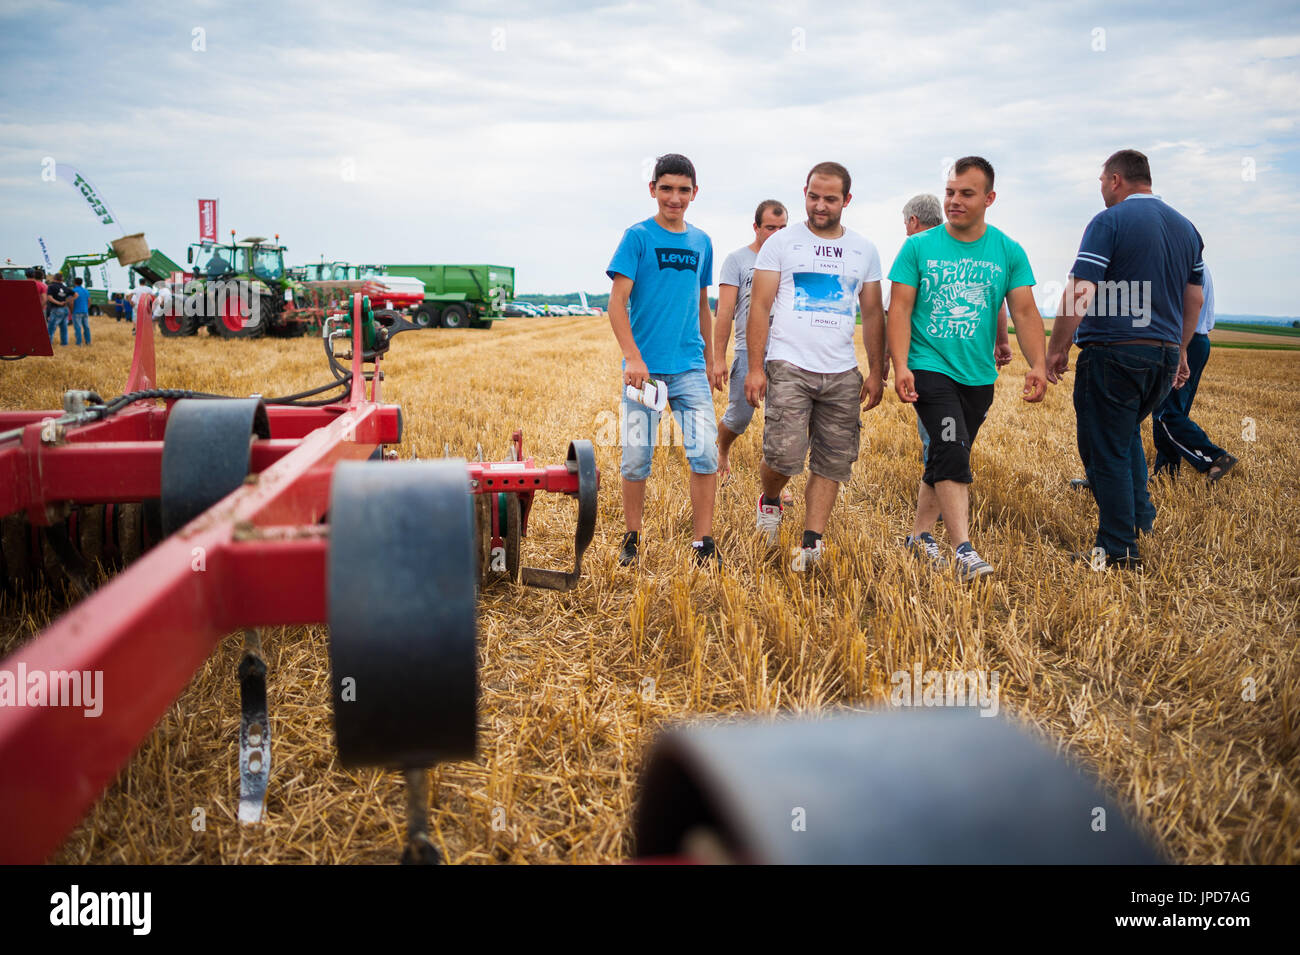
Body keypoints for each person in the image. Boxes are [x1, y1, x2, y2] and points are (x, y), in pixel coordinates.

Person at [888, 157, 1048, 581]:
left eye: (966, 193)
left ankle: (920, 535)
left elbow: (1026, 311)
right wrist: (901, 365)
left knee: (946, 453)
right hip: (929, 365)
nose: (954, 201)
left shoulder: (1007, 251)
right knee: (952, 447)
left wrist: (1038, 364)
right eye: (950, 192)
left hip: (978, 375)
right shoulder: (918, 247)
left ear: (989, 198)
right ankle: (963, 549)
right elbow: (899, 310)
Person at [1046, 149, 1205, 569]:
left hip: (1115, 352)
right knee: (1125, 435)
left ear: (1116, 179)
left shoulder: (1109, 221)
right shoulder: (1187, 228)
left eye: (1101, 182)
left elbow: (1082, 287)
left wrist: (1057, 348)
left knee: (1104, 448)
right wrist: (1182, 347)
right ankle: (1142, 518)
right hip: (1164, 355)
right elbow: (1195, 296)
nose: (1101, 190)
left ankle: (1117, 548)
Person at [744, 161, 886, 569]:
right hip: (788, 363)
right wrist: (756, 368)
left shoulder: (864, 250)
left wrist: (877, 371)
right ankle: (770, 500)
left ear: (847, 200)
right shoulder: (782, 243)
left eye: (830, 199)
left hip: (842, 370)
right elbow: (761, 306)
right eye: (813, 197)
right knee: (784, 456)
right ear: (804, 192)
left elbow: (873, 313)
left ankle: (811, 543)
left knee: (833, 459)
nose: (820, 206)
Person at [607, 153, 720, 567]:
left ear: (694, 193)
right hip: (645, 373)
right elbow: (616, 303)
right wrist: (632, 358)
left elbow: (702, 305)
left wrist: (712, 359)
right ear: (653, 189)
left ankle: (703, 543)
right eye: (667, 188)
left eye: (683, 190)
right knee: (637, 458)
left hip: (690, 368)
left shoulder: (702, 242)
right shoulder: (637, 237)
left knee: (706, 452)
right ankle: (632, 538)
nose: (675, 197)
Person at [898, 193, 1012, 481]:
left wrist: (895, 359)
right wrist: (1001, 341)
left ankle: (941, 491)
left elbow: (899, 310)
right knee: (949, 437)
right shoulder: (970, 249)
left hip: (931, 363)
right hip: (958, 364)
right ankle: (942, 490)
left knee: (942, 439)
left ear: (913, 220)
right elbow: (994, 299)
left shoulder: (914, 249)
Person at [712, 199, 788, 484]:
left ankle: (775, 480)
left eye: (782, 228)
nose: (777, 234)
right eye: (770, 227)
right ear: (756, 227)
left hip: (784, 351)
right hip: (748, 350)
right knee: (739, 417)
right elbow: (725, 312)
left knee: (780, 420)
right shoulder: (737, 261)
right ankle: (721, 449)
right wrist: (719, 358)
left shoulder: (791, 261)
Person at [1151, 264, 1236, 480]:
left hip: (1183, 342)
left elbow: (1185, 307)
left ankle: (1215, 457)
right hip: (1197, 341)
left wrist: (1181, 348)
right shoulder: (1202, 266)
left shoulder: (1185, 264)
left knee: (1165, 414)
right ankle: (1166, 473)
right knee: (1173, 411)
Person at [45, 272, 74, 346]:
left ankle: (48, 344)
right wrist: (66, 301)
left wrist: (58, 303)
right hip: (65, 309)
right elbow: (76, 295)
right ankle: (64, 344)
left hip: (56, 309)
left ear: (54, 278)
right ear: (62, 279)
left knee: (51, 328)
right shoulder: (65, 287)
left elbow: (49, 297)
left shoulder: (51, 287)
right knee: (64, 328)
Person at [71, 277, 91, 346]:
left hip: (76, 311)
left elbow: (72, 302)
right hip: (85, 311)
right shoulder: (86, 291)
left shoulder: (73, 291)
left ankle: (79, 343)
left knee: (78, 327)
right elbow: (89, 301)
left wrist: (71, 310)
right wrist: (86, 308)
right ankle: (88, 342)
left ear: (74, 283)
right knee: (86, 327)